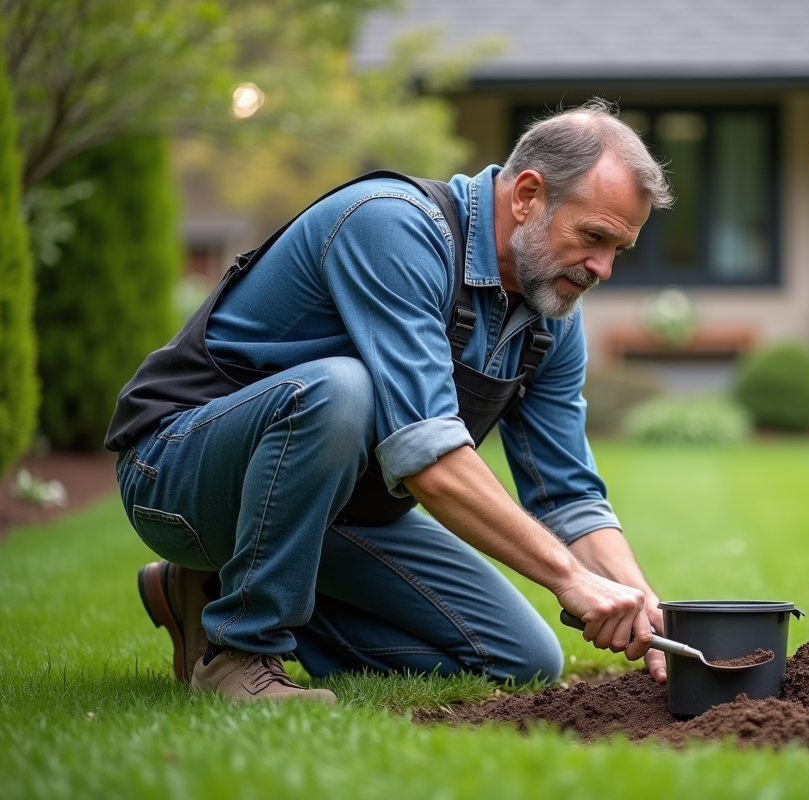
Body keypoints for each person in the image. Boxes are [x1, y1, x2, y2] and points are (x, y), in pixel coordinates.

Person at [107, 100, 674, 704]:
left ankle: (204, 591)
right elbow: (427, 455)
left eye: (620, 249)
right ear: (528, 195)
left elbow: (569, 495)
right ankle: (241, 649)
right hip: (177, 471)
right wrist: (569, 579)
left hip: (332, 512)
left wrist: (644, 604)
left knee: (524, 659)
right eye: (594, 237)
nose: (604, 268)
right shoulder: (393, 227)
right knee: (341, 390)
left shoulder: (549, 317)